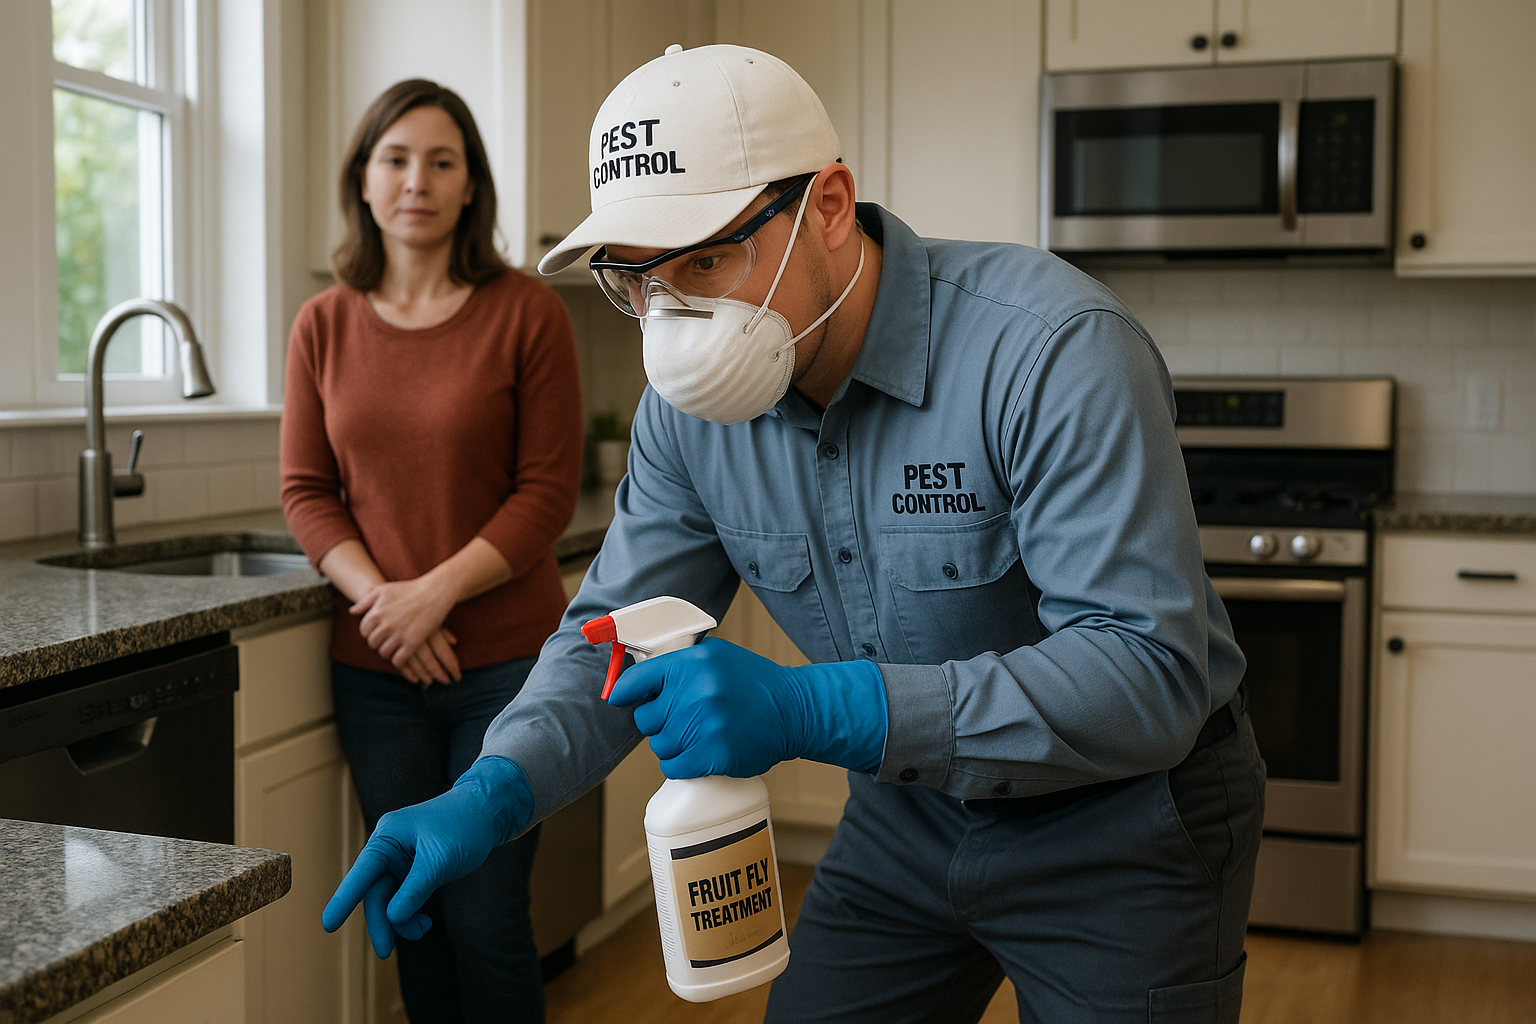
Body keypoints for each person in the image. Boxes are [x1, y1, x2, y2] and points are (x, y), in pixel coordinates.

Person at [322, 46, 1264, 1024]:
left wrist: (821, 708)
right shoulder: (687, 416)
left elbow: (1146, 674)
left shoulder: (1049, 353)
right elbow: (611, 631)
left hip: (1124, 819)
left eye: (704, 259)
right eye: (632, 279)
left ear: (827, 204)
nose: (670, 316)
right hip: (910, 813)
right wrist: (494, 788)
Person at [284, 78, 582, 1024]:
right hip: (376, 680)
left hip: (504, 667)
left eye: (441, 161)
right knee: (411, 907)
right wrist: (387, 606)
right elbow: (306, 492)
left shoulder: (526, 312)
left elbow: (546, 493)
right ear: (364, 182)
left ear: (469, 186)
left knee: (488, 916)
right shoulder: (322, 324)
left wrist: (429, 599)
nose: (417, 180)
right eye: (396, 158)